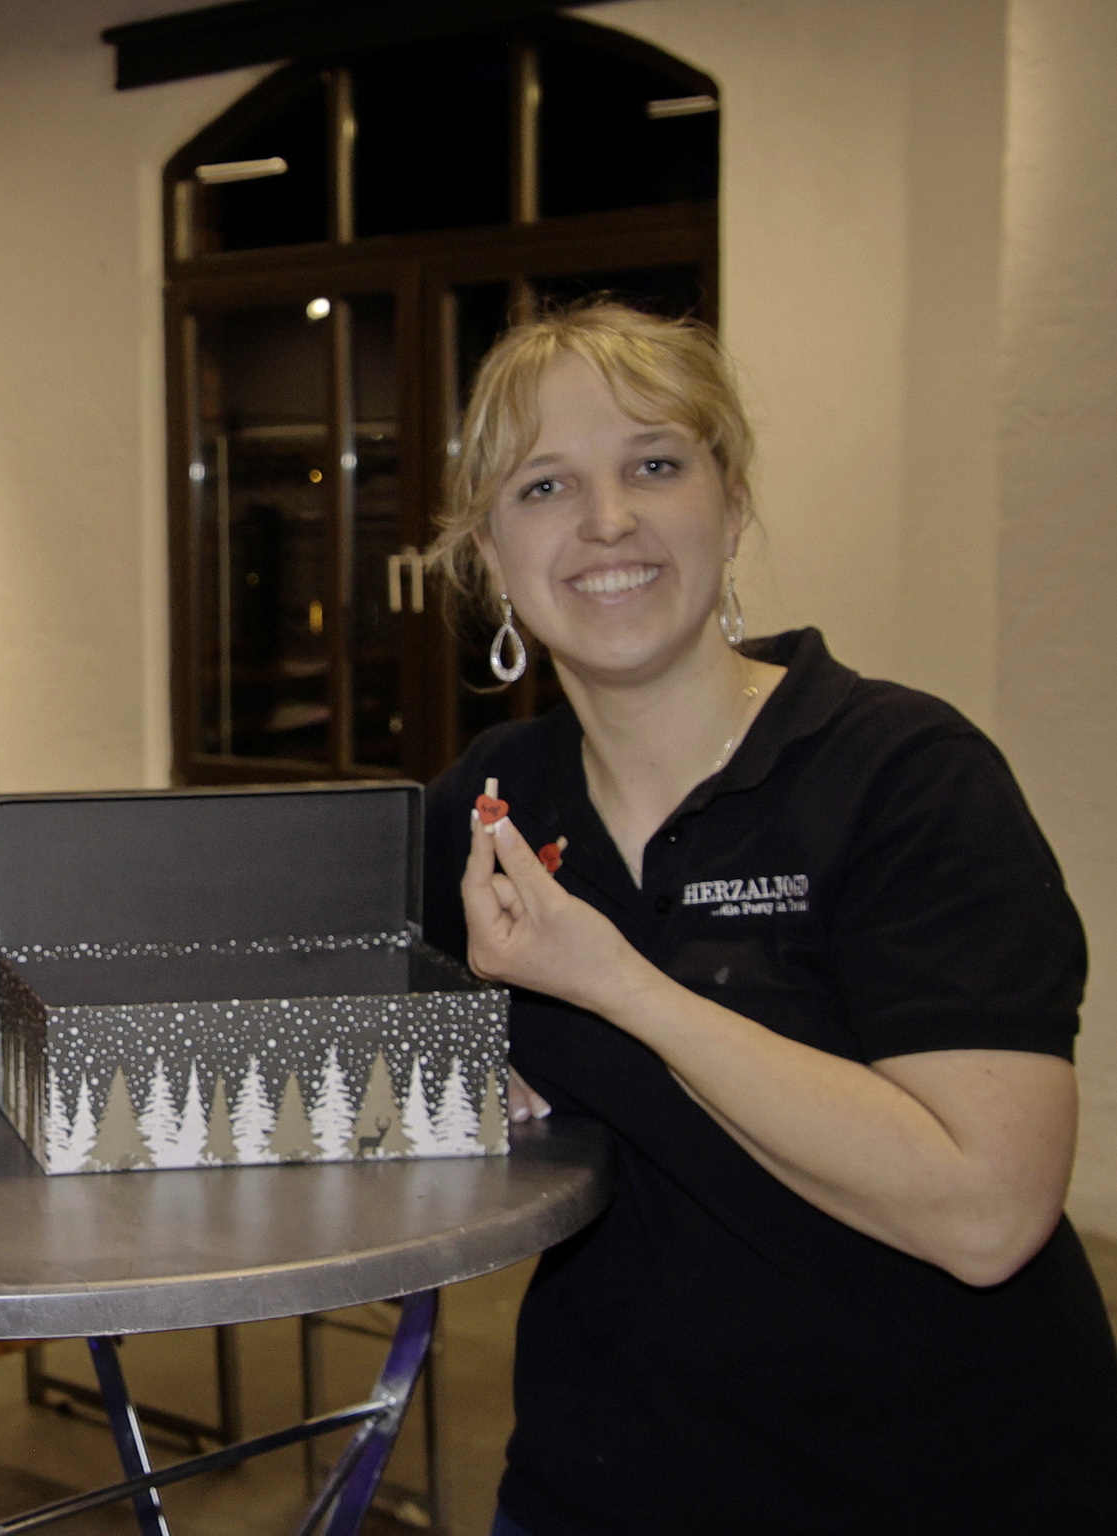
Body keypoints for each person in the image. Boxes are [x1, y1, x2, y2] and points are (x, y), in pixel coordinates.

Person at [420, 301, 1117, 1536]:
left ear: (730, 506)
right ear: (489, 559)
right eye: (544, 486)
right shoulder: (491, 801)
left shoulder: (902, 774)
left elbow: (987, 1213)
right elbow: (332, 1021)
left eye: (653, 464)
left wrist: (618, 984)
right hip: (600, 1481)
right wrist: (463, 1064)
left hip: (938, 1485)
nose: (606, 520)